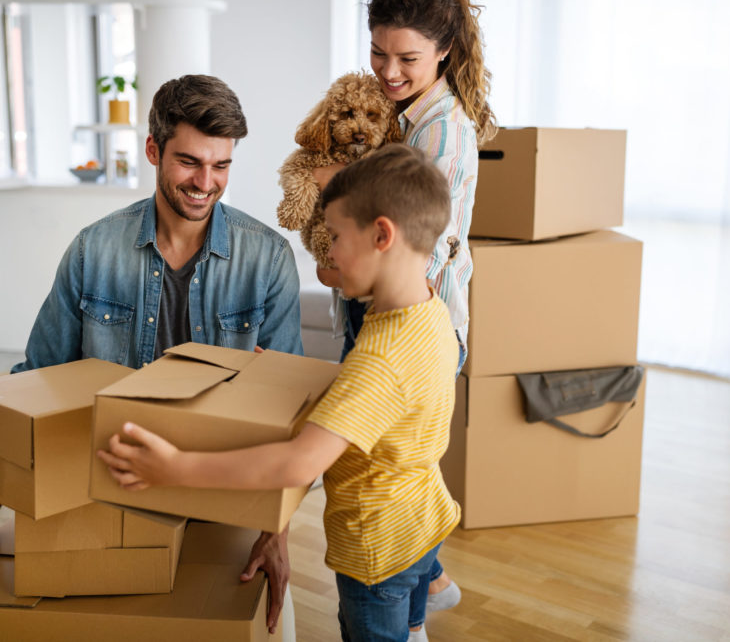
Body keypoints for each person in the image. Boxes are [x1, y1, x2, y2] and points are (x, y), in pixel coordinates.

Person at [0, 74, 303, 636]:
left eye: (221, 166)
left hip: (221, 489)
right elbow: (33, 383)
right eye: (189, 162)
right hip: (107, 483)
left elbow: (289, 413)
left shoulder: (267, 258)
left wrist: (276, 532)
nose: (206, 183)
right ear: (152, 150)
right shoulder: (95, 250)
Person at [99, 144, 460, 642]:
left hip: (377, 551)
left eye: (334, 237)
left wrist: (174, 468)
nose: (328, 252)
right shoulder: (424, 311)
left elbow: (296, 465)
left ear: (381, 235)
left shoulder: (381, 357)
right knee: (409, 623)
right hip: (423, 522)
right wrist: (293, 373)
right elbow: (390, 396)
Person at [314, 0, 497, 616]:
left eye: (407, 58)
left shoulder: (442, 129)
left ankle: (417, 600)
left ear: (444, 50)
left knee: (389, 471)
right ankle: (428, 590)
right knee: (400, 466)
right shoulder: (405, 113)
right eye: (378, 52)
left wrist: (339, 193)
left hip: (418, 324)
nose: (388, 70)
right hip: (393, 315)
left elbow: (413, 235)